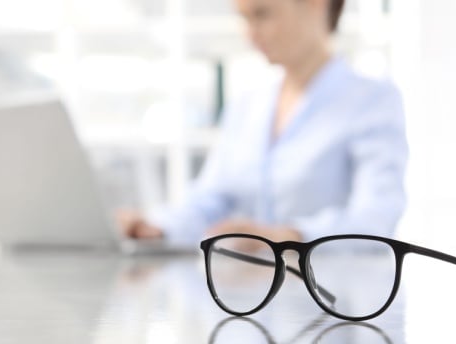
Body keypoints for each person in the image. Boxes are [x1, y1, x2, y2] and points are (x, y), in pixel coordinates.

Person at [118, 0, 407, 245]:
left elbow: (375, 218)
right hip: (246, 294)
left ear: (316, 4)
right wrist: (159, 226)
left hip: (336, 299)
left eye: (262, 15)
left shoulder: (372, 102)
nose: (250, 35)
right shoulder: (247, 106)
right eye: (243, 18)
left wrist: (288, 237)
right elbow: (212, 198)